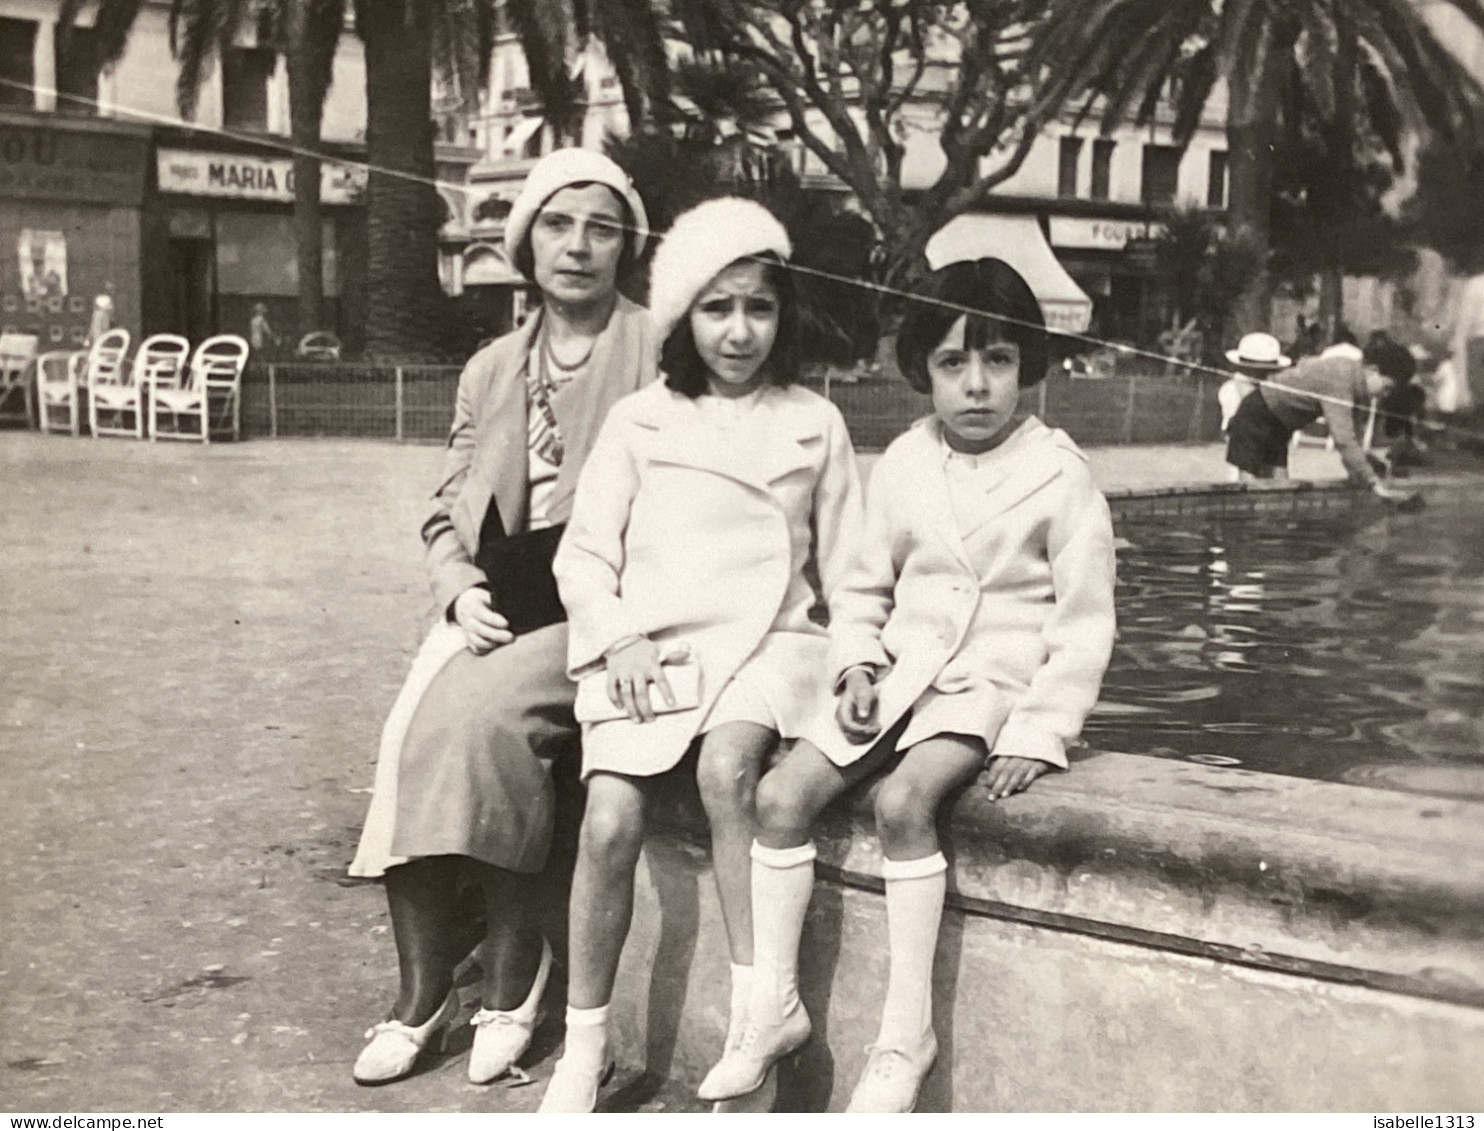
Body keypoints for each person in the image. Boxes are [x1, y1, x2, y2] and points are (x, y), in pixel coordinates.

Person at [699, 257, 1118, 1112]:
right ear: (922, 369)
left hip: (987, 684)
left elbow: (1083, 625)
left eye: (998, 361)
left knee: (901, 805)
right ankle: (772, 1006)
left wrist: (1039, 730)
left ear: (1027, 366)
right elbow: (859, 586)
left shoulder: (1062, 475)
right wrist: (855, 660)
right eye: (952, 364)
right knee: (781, 798)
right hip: (900, 674)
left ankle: (903, 1038)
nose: (976, 386)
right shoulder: (902, 461)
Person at [536, 197, 863, 1113]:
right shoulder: (644, 420)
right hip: (653, 652)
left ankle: (761, 1015)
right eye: (717, 308)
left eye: (759, 307)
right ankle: (584, 1043)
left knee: (729, 771)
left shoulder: (814, 422)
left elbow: (853, 569)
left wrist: (861, 658)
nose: (739, 330)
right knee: (605, 824)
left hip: (770, 644)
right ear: (683, 316)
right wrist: (621, 636)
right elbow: (586, 556)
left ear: (783, 314)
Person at [346, 148, 657, 1088]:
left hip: (604, 604)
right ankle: (422, 993)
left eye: (602, 228)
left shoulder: (658, 348)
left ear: (626, 246)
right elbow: (449, 497)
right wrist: (455, 586)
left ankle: (515, 984)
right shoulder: (491, 366)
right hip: (499, 596)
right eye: (558, 225)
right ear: (525, 242)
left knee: (481, 723)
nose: (578, 246)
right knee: (406, 736)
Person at [1222, 330, 1415, 502]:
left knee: (1281, 483)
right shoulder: (1341, 378)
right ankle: (1241, 530)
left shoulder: (1356, 386)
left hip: (1280, 425)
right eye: (1387, 387)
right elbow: (1343, 439)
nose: (1385, 395)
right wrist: (1373, 483)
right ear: (1372, 370)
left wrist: (1362, 475)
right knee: (1249, 484)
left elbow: (1352, 439)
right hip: (1256, 413)